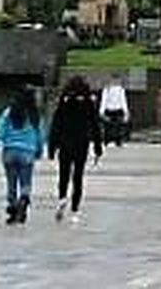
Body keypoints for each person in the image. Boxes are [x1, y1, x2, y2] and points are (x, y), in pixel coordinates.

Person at [0, 87, 42, 224]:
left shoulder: (9, 112)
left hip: (9, 151)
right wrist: (39, 149)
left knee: (11, 182)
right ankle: (24, 199)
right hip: (28, 151)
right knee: (26, 181)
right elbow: (39, 134)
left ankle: (13, 206)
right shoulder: (34, 114)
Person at [47, 76, 103, 220]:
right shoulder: (88, 102)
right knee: (78, 176)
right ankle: (75, 209)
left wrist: (52, 146)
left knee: (63, 174)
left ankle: (62, 198)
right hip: (81, 142)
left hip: (65, 142)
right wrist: (98, 146)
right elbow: (95, 124)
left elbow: (56, 123)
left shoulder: (64, 101)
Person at [99, 76, 130, 145]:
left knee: (116, 126)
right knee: (110, 126)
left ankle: (116, 139)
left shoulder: (120, 90)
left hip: (116, 110)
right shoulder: (107, 90)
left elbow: (123, 101)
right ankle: (110, 139)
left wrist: (126, 112)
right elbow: (104, 101)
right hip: (111, 110)